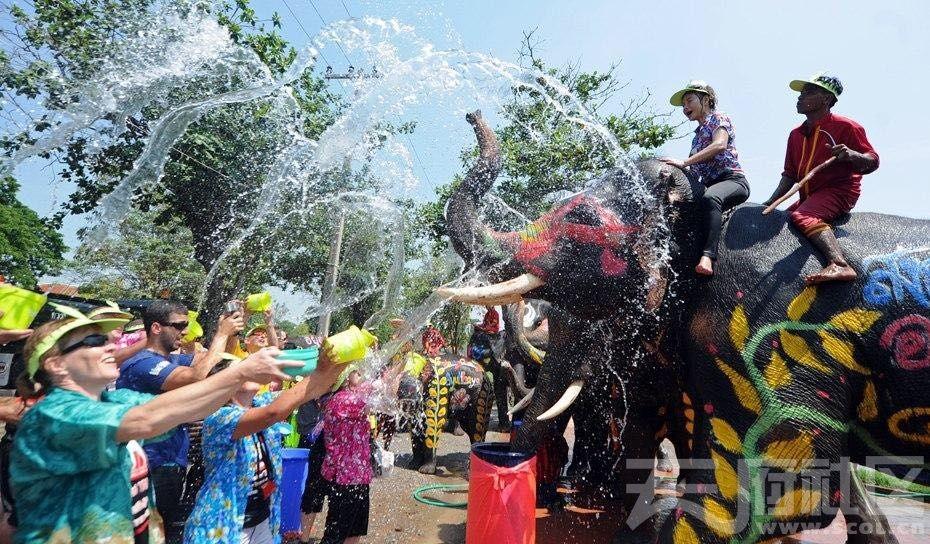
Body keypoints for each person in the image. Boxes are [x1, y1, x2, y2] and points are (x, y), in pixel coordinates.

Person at [8, 306, 296, 544]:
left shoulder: (114, 400)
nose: (111, 345)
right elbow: (145, 420)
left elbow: (190, 406)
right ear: (56, 364)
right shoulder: (52, 415)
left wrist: (323, 370)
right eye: (94, 342)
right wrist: (240, 371)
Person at [116, 300, 244, 543]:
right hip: (148, 463)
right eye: (179, 325)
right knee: (148, 535)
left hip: (170, 461)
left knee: (164, 531)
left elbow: (213, 361)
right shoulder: (143, 363)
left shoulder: (171, 360)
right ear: (155, 327)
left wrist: (229, 331)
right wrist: (221, 333)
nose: (185, 331)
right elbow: (196, 376)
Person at [183, 349, 338, 544]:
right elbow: (273, 413)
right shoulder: (219, 418)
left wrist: (336, 363)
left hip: (263, 519)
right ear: (226, 382)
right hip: (225, 524)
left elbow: (311, 390)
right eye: (243, 370)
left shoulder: (260, 402)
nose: (251, 372)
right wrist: (318, 373)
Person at [763, 73, 879, 284]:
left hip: (839, 191)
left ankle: (840, 264)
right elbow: (789, 174)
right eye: (801, 93)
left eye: (808, 92)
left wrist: (851, 154)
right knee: (785, 218)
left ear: (826, 98)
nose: (800, 97)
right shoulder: (795, 134)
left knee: (802, 217)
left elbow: (872, 160)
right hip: (811, 195)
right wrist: (771, 202)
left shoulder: (847, 126)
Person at [663, 80, 750, 276]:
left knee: (711, 198)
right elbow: (693, 173)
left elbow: (720, 145)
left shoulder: (719, 118)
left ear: (706, 99)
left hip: (732, 181)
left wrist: (684, 162)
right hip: (708, 185)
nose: (685, 107)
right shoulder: (696, 137)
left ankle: (708, 256)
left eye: (689, 100)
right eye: (683, 105)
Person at [319, 361, 405, 544]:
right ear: (344, 379)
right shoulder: (342, 400)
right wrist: (397, 369)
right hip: (344, 478)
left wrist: (397, 371)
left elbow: (384, 396)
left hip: (358, 476)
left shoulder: (352, 398)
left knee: (355, 530)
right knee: (336, 535)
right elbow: (383, 395)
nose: (363, 374)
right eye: (357, 372)